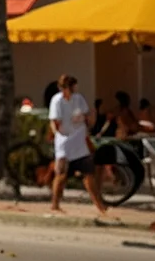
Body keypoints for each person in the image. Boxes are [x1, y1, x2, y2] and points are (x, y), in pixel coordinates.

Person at [47, 74, 111, 218]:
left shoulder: (78, 99)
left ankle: (99, 205)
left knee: (88, 173)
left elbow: (87, 115)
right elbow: (54, 121)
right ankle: (55, 204)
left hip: (79, 142)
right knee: (61, 174)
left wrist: (85, 122)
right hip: (64, 142)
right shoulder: (57, 101)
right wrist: (59, 133)